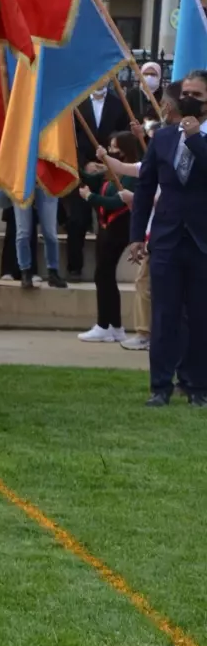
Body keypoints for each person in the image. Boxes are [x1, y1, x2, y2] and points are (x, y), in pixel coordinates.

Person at [129, 70, 207, 406]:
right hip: (166, 239)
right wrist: (136, 236)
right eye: (185, 92)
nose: (189, 99)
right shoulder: (162, 138)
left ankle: (196, 386)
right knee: (164, 315)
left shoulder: (197, 137)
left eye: (198, 95)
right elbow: (145, 188)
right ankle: (160, 386)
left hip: (202, 240)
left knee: (200, 316)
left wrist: (194, 139)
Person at [77, 132, 143, 343]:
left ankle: (105, 325)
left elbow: (117, 202)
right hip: (106, 228)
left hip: (120, 229)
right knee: (103, 275)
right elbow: (92, 178)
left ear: (124, 150)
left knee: (103, 274)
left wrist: (90, 197)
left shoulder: (131, 175)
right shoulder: (111, 172)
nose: (110, 151)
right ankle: (113, 326)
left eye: (114, 148)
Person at [66, 81, 130, 279]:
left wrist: (110, 163)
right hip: (81, 170)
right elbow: (69, 137)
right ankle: (74, 267)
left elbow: (122, 138)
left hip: (108, 170)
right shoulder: (76, 103)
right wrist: (84, 163)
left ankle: (103, 269)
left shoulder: (118, 104)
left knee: (105, 222)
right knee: (77, 220)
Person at [13, 180, 68, 290]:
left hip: (46, 180)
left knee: (50, 233)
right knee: (23, 233)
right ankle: (25, 272)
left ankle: (53, 272)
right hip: (22, 181)